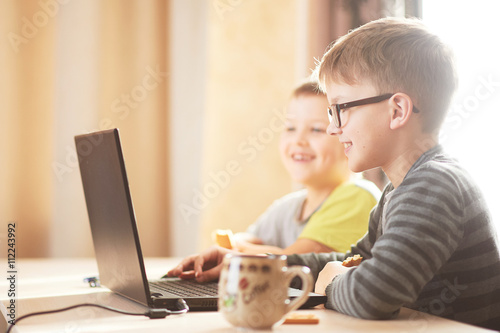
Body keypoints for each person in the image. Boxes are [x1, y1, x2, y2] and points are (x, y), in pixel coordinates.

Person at [167, 17, 500, 330]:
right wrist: (257, 264)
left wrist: (331, 280)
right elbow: (354, 260)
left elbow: (372, 295)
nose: (332, 128)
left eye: (341, 109)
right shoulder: (400, 189)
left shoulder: (433, 186)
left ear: (397, 110)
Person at [232, 81, 380, 255]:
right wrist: (237, 243)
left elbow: (296, 261)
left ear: (348, 139)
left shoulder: (357, 197)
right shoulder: (288, 207)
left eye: (316, 129)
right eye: (290, 128)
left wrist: (235, 249)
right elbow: (247, 238)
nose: (298, 140)